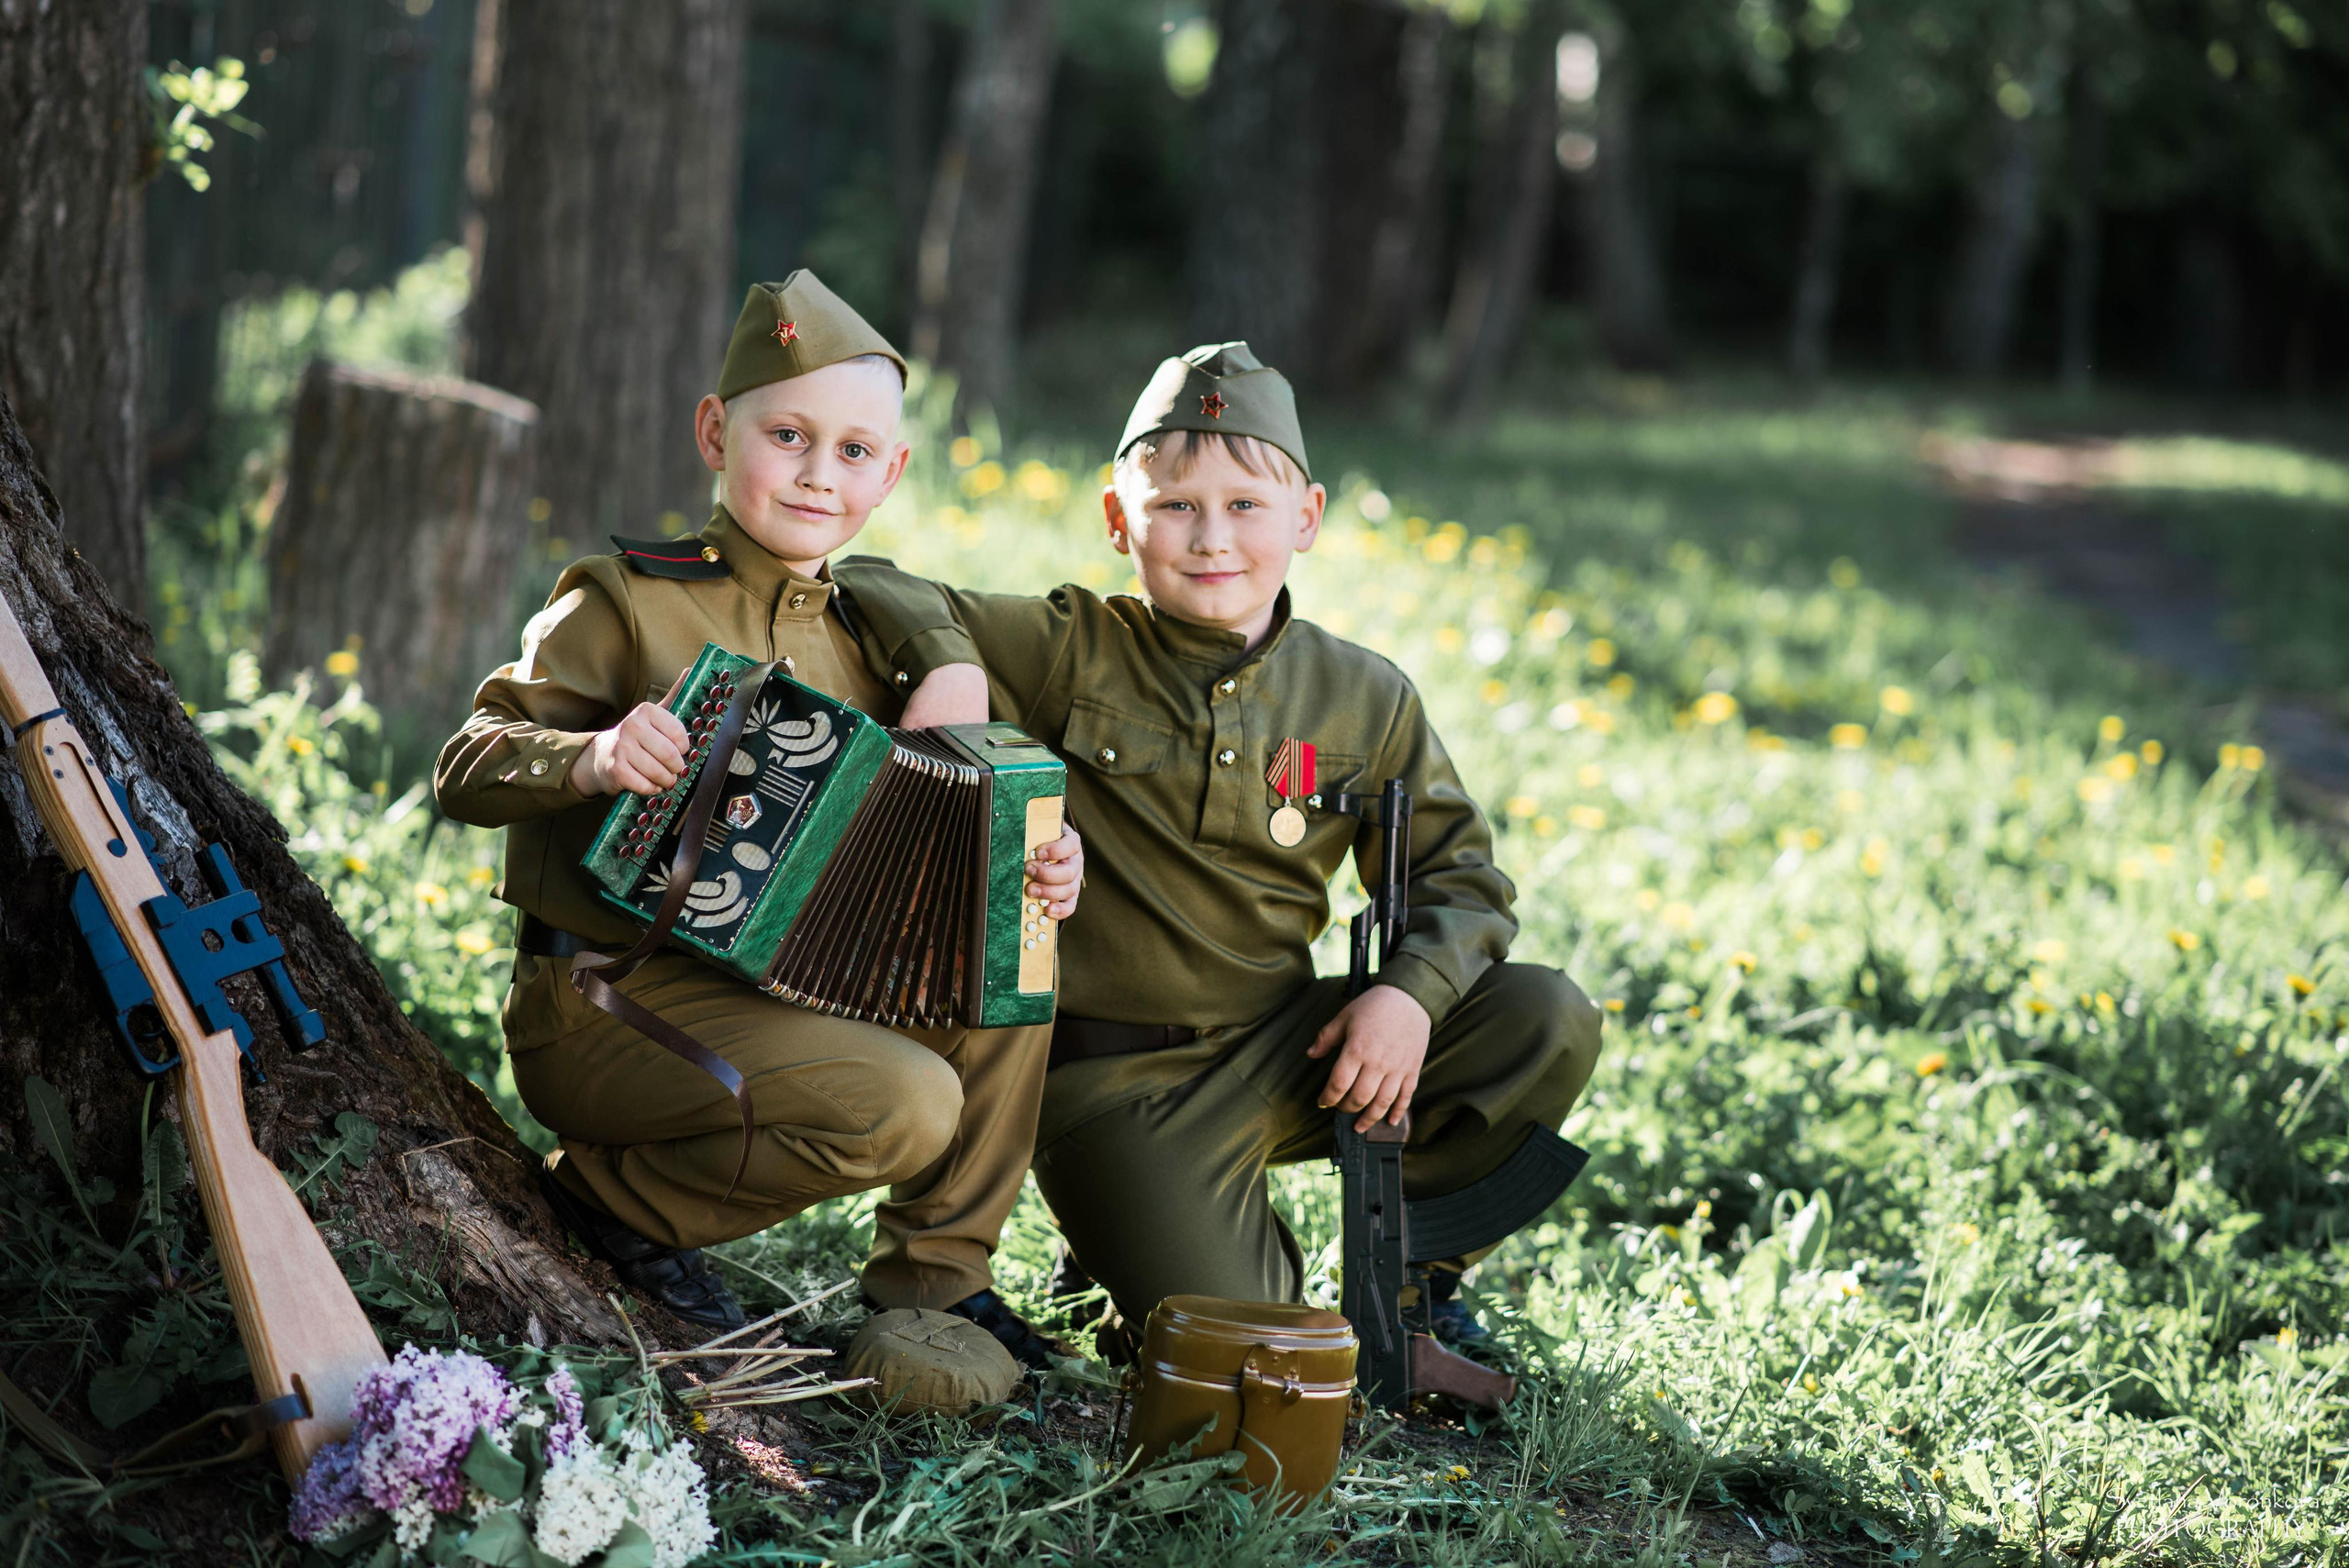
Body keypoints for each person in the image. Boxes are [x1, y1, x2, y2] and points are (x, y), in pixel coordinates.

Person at [847, 342, 1605, 1345]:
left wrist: (1407, 998)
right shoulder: (1072, 645)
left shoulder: (1363, 695)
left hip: (1292, 1046)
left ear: (1308, 517)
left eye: (1247, 504)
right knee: (1255, 1346)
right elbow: (865, 579)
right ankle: (1135, 1239)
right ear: (1120, 520)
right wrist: (948, 666)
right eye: (1174, 506)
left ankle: (1413, 1285)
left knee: (1542, 1013)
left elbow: (1460, 877)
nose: (1212, 538)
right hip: (1117, 1088)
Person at [433, 272, 1082, 1358]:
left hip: (780, 989)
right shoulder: (627, 596)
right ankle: (616, 1205)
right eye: (788, 434)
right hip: (605, 996)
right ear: (714, 431)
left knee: (1018, 950)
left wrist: (1037, 862)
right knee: (908, 1103)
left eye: (855, 451)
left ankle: (935, 1276)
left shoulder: (875, 631)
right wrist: (590, 756)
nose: (820, 474)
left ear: (894, 471)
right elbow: (466, 762)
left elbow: (927, 829)